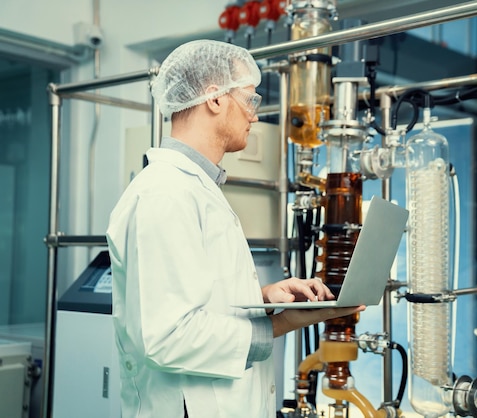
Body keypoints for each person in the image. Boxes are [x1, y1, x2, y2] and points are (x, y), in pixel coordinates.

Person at [106, 39, 364, 418]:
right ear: (214, 99)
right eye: (250, 99)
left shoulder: (195, 189)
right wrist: (277, 326)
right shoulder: (165, 194)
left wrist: (262, 297)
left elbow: (189, 297)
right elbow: (167, 337)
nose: (254, 115)